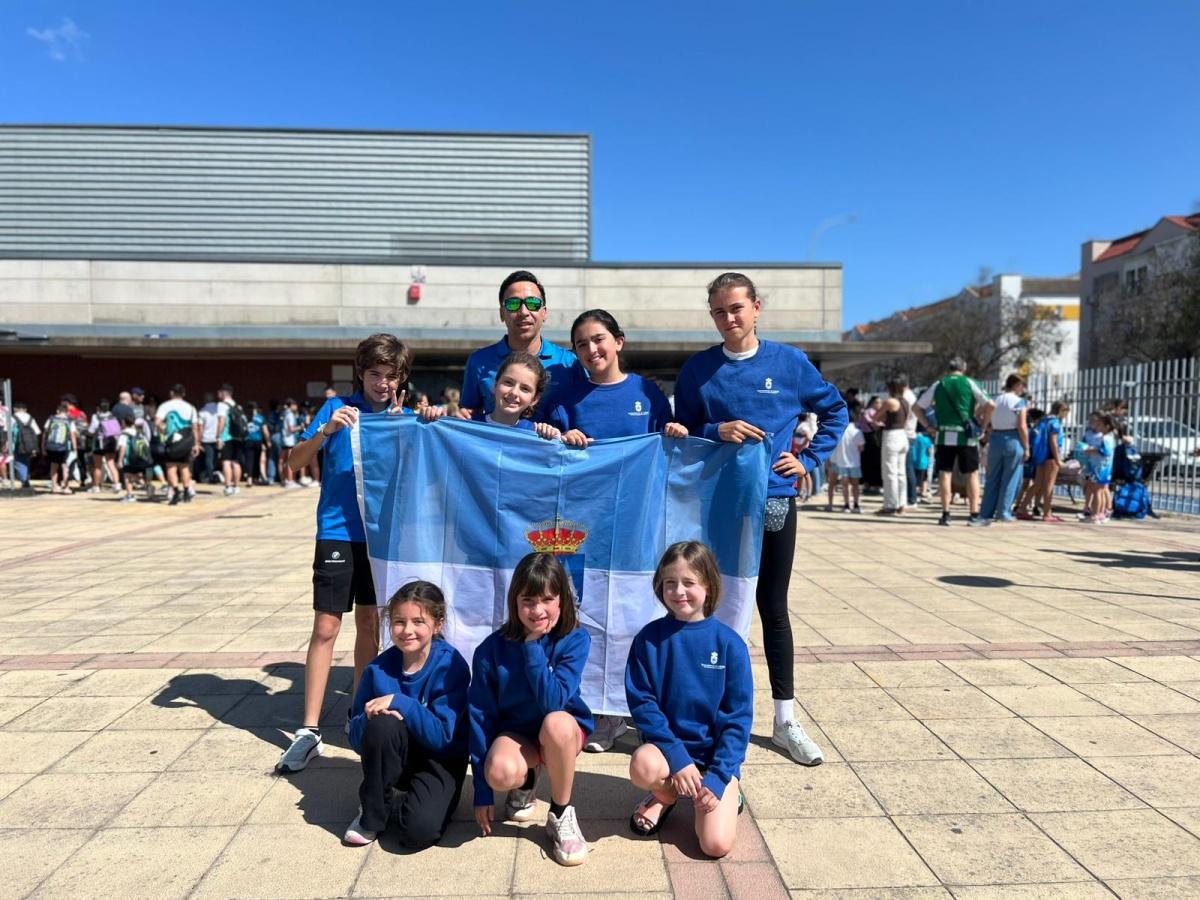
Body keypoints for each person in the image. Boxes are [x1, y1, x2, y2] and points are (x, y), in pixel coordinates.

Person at [674, 272, 847, 766]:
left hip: (772, 500)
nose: (728, 319)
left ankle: (785, 718)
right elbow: (679, 432)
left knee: (771, 605)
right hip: (713, 503)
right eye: (718, 312)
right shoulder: (698, 371)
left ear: (756, 307)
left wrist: (809, 460)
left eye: (736, 309)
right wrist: (714, 428)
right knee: (705, 605)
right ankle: (700, 712)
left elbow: (835, 410)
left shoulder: (789, 363)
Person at [547, 309, 687, 753]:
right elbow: (546, 454)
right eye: (582, 344)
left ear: (619, 341)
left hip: (636, 529)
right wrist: (556, 437)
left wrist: (675, 432)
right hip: (581, 529)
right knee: (588, 619)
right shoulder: (566, 394)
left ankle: (643, 711)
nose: (592, 350)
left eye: (599, 339)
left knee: (638, 619)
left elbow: (666, 451)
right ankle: (602, 714)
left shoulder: (646, 392)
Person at [276, 334, 412, 775]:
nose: (383, 383)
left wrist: (412, 425)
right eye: (375, 374)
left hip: (381, 536)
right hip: (336, 532)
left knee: (371, 623)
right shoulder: (337, 409)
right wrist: (326, 429)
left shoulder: (402, 418)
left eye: (391, 376)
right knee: (326, 625)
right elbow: (293, 462)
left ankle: (359, 711)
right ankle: (309, 728)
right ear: (362, 374)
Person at [625, 542, 751, 857]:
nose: (679, 591)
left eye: (689, 582)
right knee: (642, 765)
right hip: (668, 754)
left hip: (713, 760)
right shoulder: (648, 640)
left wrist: (720, 776)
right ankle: (665, 796)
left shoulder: (730, 645)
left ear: (708, 585)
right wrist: (678, 758)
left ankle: (722, 795)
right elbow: (643, 705)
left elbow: (738, 719)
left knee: (715, 845)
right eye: (670, 583)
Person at [468, 552, 593, 866]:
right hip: (518, 734)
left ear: (562, 600)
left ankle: (561, 813)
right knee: (498, 771)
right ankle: (525, 782)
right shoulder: (490, 649)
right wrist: (482, 790)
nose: (537, 610)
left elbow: (553, 701)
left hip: (561, 731)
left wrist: (532, 645)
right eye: (528, 600)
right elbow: (480, 717)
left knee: (556, 723)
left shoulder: (575, 638)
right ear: (514, 601)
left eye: (547, 599)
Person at [343, 581, 471, 848]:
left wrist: (403, 704)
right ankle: (372, 814)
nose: (407, 630)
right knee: (382, 726)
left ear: (438, 624)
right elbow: (356, 740)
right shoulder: (377, 670)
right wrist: (367, 719)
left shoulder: (450, 665)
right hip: (397, 754)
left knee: (418, 832)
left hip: (440, 760)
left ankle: (420, 801)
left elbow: (444, 738)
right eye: (399, 621)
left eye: (418, 621)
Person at [458, 270, 579, 421]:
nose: (523, 312)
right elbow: (468, 414)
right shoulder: (479, 362)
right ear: (502, 313)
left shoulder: (569, 362)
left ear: (544, 313)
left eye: (533, 304)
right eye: (513, 304)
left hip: (553, 444)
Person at [915, 357, 995, 526]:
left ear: (948, 369)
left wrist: (929, 426)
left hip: (944, 434)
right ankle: (973, 514)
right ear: (963, 369)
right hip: (966, 436)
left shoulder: (939, 384)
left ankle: (946, 514)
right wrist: (983, 425)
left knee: (945, 473)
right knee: (972, 474)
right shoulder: (969, 383)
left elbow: (916, 408)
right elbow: (991, 404)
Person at [424, 352, 561, 440]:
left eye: (525, 389)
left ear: (534, 399)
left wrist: (558, 439)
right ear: (495, 385)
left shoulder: (538, 435)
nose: (514, 392)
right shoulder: (467, 427)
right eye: (508, 382)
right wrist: (430, 420)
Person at [977, 374, 1029, 525]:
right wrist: (1027, 447)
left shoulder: (995, 399)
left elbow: (979, 413)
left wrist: (986, 426)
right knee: (1011, 478)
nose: (1023, 389)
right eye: (1022, 386)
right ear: (1017, 385)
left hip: (996, 438)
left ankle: (986, 511)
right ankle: (1003, 512)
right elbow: (1022, 426)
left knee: (992, 478)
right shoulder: (1020, 402)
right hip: (1013, 439)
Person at [155, 384, 201, 505]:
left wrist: (163, 430)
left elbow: (157, 422)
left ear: (171, 393)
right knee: (185, 466)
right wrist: (196, 444)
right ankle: (186, 492)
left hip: (173, 440)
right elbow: (195, 427)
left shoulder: (165, 406)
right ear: (184, 394)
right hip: (187, 440)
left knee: (171, 467)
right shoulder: (191, 407)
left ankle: (175, 492)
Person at [1028, 401, 1069, 523]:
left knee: (1038, 483)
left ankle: (1022, 508)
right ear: (1061, 411)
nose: (1066, 415)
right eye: (1066, 412)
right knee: (1049, 485)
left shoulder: (1044, 420)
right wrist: (1058, 460)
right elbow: (1053, 442)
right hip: (1051, 456)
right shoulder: (1055, 423)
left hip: (1041, 455)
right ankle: (1047, 512)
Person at [878, 379, 911, 515]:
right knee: (901, 473)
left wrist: (882, 419)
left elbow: (876, 417)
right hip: (903, 436)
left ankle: (890, 505)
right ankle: (902, 504)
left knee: (890, 472)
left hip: (891, 436)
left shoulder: (890, 402)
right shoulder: (906, 402)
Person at [1079, 411, 1115, 524]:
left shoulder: (1106, 438)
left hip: (1100, 468)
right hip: (1100, 467)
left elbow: (1105, 451)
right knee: (1099, 490)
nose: (1096, 426)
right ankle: (1099, 514)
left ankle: (1096, 514)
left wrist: (1090, 450)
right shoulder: (1107, 437)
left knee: (1098, 491)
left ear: (1106, 426)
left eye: (1099, 424)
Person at [826, 417, 865, 513]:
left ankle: (846, 505)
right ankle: (856, 505)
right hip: (854, 462)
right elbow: (861, 448)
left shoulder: (839, 431)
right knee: (855, 485)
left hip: (841, 461)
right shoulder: (857, 431)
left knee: (844, 485)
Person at [86, 399, 122, 493]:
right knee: (111, 463)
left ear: (98, 408)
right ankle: (117, 484)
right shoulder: (113, 416)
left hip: (99, 442)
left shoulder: (96, 416)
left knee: (97, 466)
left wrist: (85, 432)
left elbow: (92, 430)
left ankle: (96, 487)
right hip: (111, 441)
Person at [216, 384, 245, 496]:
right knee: (236, 462)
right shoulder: (237, 406)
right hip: (238, 437)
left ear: (224, 393)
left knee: (226, 462)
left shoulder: (222, 405)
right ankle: (236, 486)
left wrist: (218, 436)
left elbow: (221, 420)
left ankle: (228, 486)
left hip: (226, 437)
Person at [43, 402, 77, 494]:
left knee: (53, 466)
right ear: (67, 412)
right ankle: (66, 488)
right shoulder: (69, 421)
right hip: (64, 447)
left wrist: (43, 447)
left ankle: (54, 487)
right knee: (65, 466)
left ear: (57, 411)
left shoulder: (51, 419)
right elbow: (73, 436)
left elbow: (45, 433)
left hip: (51, 446)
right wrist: (75, 448)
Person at [11, 402, 40, 490]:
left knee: (19, 462)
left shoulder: (12, 417)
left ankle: (24, 480)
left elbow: (7, 431)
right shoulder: (30, 418)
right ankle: (26, 478)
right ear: (25, 409)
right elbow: (37, 432)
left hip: (17, 443)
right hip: (30, 444)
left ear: (15, 409)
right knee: (26, 461)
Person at [197, 393, 221, 485]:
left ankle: (211, 476)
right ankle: (214, 473)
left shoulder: (203, 411)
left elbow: (200, 427)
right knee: (216, 458)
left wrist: (199, 440)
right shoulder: (218, 409)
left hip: (207, 438)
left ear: (205, 400)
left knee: (209, 458)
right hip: (218, 437)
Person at [909, 424, 934, 504]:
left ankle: (914, 493)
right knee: (924, 479)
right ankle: (923, 493)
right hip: (924, 463)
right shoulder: (927, 439)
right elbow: (930, 452)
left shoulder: (914, 439)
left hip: (913, 462)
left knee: (914, 478)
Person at [244, 401, 268, 486]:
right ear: (256, 409)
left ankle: (249, 479)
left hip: (248, 440)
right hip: (258, 441)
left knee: (249, 460)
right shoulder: (261, 418)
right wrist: (268, 441)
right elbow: (265, 431)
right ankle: (255, 478)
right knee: (257, 460)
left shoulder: (245, 417)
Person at [279, 398, 301, 488]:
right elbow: (291, 429)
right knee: (290, 461)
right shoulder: (290, 415)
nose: (296, 407)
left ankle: (284, 480)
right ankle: (290, 480)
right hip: (290, 440)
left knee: (281, 461)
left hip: (284, 439)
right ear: (290, 405)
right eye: (295, 405)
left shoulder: (284, 413)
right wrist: (301, 427)